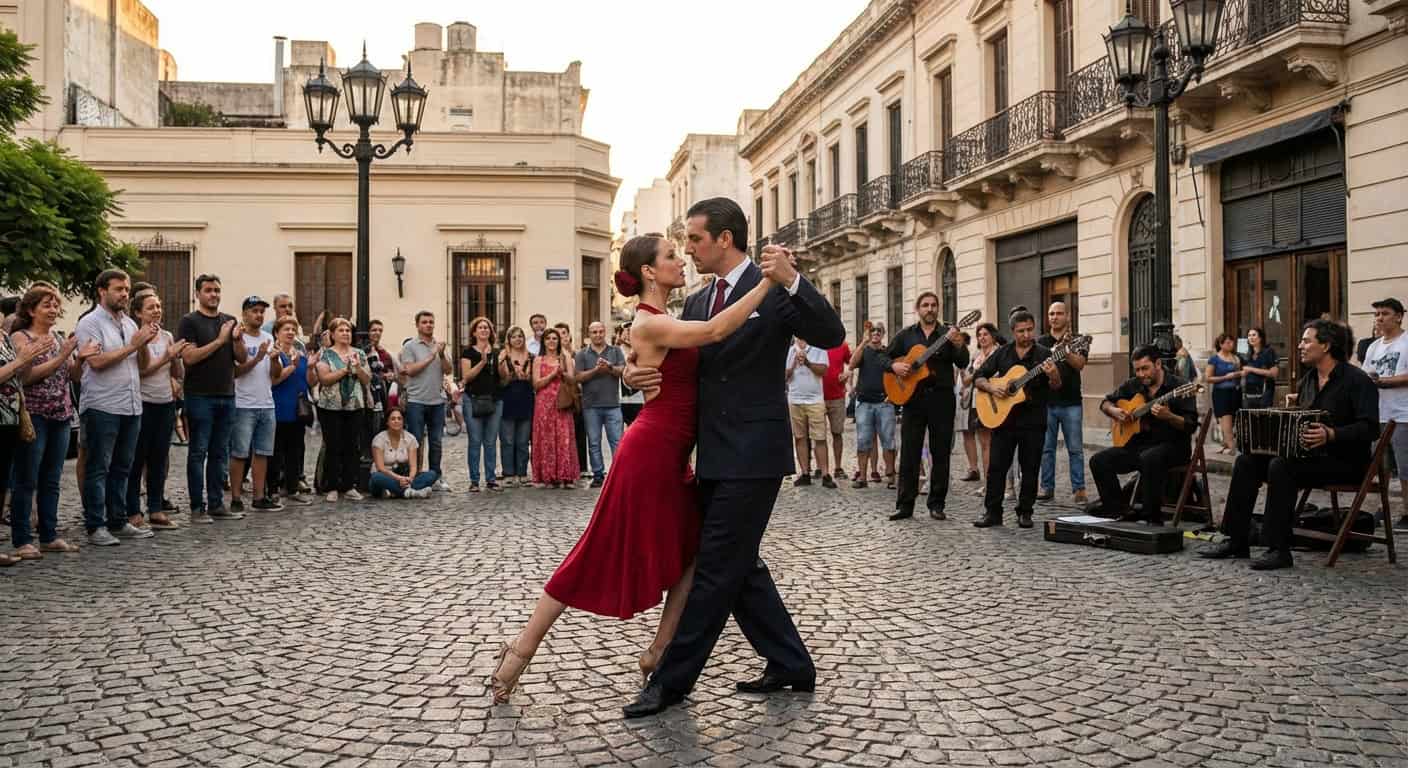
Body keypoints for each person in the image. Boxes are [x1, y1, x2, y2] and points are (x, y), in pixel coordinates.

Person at [487, 232, 784, 702]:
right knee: (591, 553)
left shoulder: (662, 319)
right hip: (647, 455)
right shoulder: (648, 323)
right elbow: (714, 332)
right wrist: (770, 282)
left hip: (671, 457)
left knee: (692, 554)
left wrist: (630, 369)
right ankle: (519, 653)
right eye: (670, 256)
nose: (681, 260)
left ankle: (658, 653)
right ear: (649, 271)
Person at [621, 198, 845, 719]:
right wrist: (633, 374)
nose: (690, 248)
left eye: (695, 239)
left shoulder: (770, 287)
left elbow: (830, 335)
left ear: (724, 239)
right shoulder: (699, 304)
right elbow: (676, 370)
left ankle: (671, 682)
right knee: (740, 565)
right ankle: (791, 663)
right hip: (712, 454)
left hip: (756, 453)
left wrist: (792, 281)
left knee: (717, 567)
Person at [1201, 320, 1380, 570]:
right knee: (1246, 461)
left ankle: (1279, 549)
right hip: (1309, 457)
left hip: (1345, 462)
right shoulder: (1309, 380)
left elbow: (1370, 428)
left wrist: (1332, 434)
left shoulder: (1357, 381)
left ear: (1326, 345)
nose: (1300, 346)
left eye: (1307, 341)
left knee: (1281, 466)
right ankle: (1236, 539)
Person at [71, 270, 157, 546]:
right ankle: (96, 525)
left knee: (123, 466)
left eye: (126, 289)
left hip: (131, 405)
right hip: (102, 405)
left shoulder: (131, 324)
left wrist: (142, 344)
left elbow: (142, 366)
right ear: (102, 291)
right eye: (118, 289)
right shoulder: (90, 323)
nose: (124, 294)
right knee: (99, 467)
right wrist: (133, 346)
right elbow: (95, 362)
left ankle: (118, 520)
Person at [1089, 345, 1199, 525]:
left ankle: (1152, 517)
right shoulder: (1133, 385)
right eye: (1137, 370)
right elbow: (1105, 402)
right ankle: (1119, 510)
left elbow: (1190, 425)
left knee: (1150, 458)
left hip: (1173, 446)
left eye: (1144, 368)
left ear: (1158, 364)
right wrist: (1114, 411)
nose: (1141, 374)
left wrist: (1169, 416)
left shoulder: (1180, 387)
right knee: (1099, 461)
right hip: (1138, 445)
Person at [9, 284, 80, 559]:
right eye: (47, 305)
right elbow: (26, 376)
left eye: (55, 305)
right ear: (31, 309)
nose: (53, 310)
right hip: (34, 415)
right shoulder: (21, 338)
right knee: (27, 477)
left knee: (52, 478)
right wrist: (62, 356)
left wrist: (79, 358)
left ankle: (49, 534)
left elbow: (73, 376)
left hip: (60, 414)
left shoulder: (58, 337)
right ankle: (22, 538)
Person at [972, 310, 1061, 529]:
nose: (1026, 334)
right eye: (1021, 331)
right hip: (1004, 421)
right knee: (996, 467)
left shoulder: (1044, 355)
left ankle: (1025, 511)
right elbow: (978, 377)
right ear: (1013, 332)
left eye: (1030, 329)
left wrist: (1052, 374)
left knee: (1030, 467)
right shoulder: (1002, 353)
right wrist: (993, 388)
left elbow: (1057, 385)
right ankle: (992, 512)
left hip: (1033, 419)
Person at [887, 292, 969, 521]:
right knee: (910, 453)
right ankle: (905, 505)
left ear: (938, 309)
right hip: (913, 400)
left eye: (933, 305)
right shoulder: (905, 336)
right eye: (925, 305)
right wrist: (895, 367)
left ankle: (937, 504)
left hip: (942, 399)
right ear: (918, 309)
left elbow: (962, 362)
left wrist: (959, 344)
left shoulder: (948, 334)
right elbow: (883, 358)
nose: (930, 309)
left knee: (940, 452)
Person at [177, 274, 242, 524]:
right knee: (198, 452)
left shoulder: (229, 321)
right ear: (198, 294)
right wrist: (219, 341)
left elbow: (242, 358)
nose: (213, 294)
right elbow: (189, 357)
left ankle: (217, 503)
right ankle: (197, 507)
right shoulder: (189, 322)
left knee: (220, 453)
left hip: (227, 394)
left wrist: (235, 341)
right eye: (208, 290)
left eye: (217, 290)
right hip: (199, 396)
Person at [125, 290, 188, 530]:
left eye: (159, 306)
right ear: (139, 312)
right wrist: (166, 357)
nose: (157, 311)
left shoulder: (167, 336)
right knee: (137, 458)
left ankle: (156, 508)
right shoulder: (135, 336)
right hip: (142, 403)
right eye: (151, 307)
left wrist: (175, 359)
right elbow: (140, 371)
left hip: (165, 403)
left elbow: (177, 373)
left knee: (159, 458)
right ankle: (132, 509)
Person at [0, 311, 54, 565]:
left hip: (9, 419)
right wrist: (21, 360)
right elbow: (13, 371)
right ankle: (19, 538)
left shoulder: (2, 337)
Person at [229, 297, 283, 513]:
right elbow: (235, 372)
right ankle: (235, 497)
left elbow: (275, 375)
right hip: (243, 403)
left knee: (262, 452)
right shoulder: (237, 338)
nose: (259, 315)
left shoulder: (269, 337)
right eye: (254, 311)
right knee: (240, 453)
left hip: (266, 403)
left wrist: (275, 360)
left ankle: (259, 496)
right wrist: (257, 357)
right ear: (244, 314)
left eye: (262, 311)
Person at [1361, 297, 1408, 528]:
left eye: (1385, 313)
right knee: (1382, 467)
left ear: (1399, 316)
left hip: (1403, 415)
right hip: (1378, 414)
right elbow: (1365, 375)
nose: (1379, 318)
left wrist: (1384, 382)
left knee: (1406, 467)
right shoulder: (1374, 346)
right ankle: (1384, 508)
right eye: (1377, 314)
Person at [1036, 301, 1087, 505]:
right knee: (1046, 449)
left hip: (1071, 402)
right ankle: (1046, 487)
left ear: (1067, 316)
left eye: (1058, 313)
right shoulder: (1040, 342)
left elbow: (1080, 364)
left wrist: (1065, 351)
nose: (1054, 317)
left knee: (1075, 448)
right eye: (1051, 314)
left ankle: (1079, 489)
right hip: (1046, 402)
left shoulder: (1078, 340)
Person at [315, 318, 371, 502]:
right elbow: (324, 379)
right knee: (333, 446)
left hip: (354, 406)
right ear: (332, 334)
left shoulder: (359, 354)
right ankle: (331, 486)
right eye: (341, 330)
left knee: (352, 446)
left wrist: (357, 369)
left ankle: (349, 485)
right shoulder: (326, 354)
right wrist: (344, 371)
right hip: (330, 407)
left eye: (348, 330)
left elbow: (366, 378)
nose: (346, 333)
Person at [399, 311, 453, 493]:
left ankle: (436, 476)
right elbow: (410, 370)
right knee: (415, 441)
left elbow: (448, 370)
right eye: (424, 322)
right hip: (416, 401)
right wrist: (431, 355)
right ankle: (414, 476)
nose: (428, 325)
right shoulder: (410, 347)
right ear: (417, 325)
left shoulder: (439, 347)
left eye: (431, 322)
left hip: (437, 401)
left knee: (436, 441)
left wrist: (442, 355)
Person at [575, 321, 626, 488]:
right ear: (589, 334)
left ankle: (619, 474)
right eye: (594, 332)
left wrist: (609, 367)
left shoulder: (615, 351)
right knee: (594, 442)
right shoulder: (582, 354)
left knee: (617, 442)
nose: (598, 335)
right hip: (591, 405)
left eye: (600, 331)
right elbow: (578, 378)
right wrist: (596, 370)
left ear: (605, 333)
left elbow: (623, 372)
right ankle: (598, 475)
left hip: (612, 404)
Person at [270, 316, 314, 505]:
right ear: (277, 333)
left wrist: (311, 369)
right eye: (286, 329)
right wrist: (290, 367)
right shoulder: (273, 354)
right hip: (278, 407)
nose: (290, 333)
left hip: (297, 410)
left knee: (295, 450)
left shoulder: (301, 356)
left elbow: (309, 383)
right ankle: (272, 489)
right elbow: (274, 380)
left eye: (292, 329)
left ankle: (292, 486)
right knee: (275, 450)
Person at [530, 328, 578, 488]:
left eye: (554, 338)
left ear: (559, 341)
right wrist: (552, 375)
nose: (551, 341)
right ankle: (549, 476)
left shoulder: (566, 357)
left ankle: (566, 476)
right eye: (548, 338)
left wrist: (563, 371)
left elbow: (572, 379)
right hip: (544, 404)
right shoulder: (538, 360)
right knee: (546, 439)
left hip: (562, 401)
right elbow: (536, 384)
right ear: (543, 341)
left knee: (564, 437)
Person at [849, 323, 896, 490]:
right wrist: (863, 342)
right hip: (864, 402)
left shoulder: (887, 352)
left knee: (888, 441)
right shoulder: (865, 350)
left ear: (883, 334)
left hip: (885, 402)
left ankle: (891, 477)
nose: (875, 333)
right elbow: (852, 364)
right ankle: (862, 477)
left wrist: (893, 396)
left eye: (879, 331)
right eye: (872, 330)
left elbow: (897, 373)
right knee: (863, 441)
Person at [461, 316, 504, 492]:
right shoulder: (468, 352)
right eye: (480, 327)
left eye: (487, 327)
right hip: (473, 399)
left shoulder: (497, 352)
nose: (484, 330)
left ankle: (491, 479)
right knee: (475, 441)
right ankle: (474, 480)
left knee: (491, 441)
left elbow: (502, 377)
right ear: (474, 332)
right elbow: (467, 377)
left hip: (495, 400)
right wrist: (483, 362)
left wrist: (501, 363)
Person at [786, 337, 833, 488]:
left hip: (815, 400)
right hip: (795, 398)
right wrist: (794, 363)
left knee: (819, 437)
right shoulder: (790, 350)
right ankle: (805, 473)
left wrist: (807, 363)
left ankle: (825, 474)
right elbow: (784, 376)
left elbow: (824, 371)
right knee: (799, 437)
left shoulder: (818, 348)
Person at [369, 407, 437, 499]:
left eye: (399, 418)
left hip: (405, 477)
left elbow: (413, 467)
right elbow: (381, 468)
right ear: (387, 422)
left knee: (432, 474)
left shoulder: (410, 439)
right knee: (376, 477)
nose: (396, 421)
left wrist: (410, 478)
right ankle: (411, 492)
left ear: (403, 421)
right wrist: (398, 478)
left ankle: (399, 491)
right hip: (385, 477)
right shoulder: (379, 439)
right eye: (393, 419)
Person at [498, 326, 535, 487]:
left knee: (522, 440)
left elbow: (535, 381)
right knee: (507, 440)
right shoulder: (504, 355)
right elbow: (501, 380)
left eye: (520, 336)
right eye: (514, 336)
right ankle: (508, 473)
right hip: (507, 400)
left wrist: (527, 376)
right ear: (509, 339)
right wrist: (511, 373)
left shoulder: (531, 357)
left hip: (526, 399)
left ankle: (522, 472)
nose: (518, 339)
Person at [556, 322, 589, 476]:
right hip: (560, 396)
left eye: (564, 333)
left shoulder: (578, 354)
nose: (561, 336)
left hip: (577, 395)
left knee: (579, 432)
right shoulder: (554, 356)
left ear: (568, 336)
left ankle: (582, 467)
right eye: (558, 333)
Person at [954, 331, 982, 483]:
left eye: (959, 339)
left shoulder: (973, 354)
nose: (956, 341)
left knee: (981, 434)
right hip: (961, 396)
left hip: (973, 396)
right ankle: (973, 468)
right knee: (966, 432)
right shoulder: (953, 354)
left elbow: (968, 376)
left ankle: (984, 469)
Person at [821, 338, 852, 481]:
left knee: (837, 433)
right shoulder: (816, 344)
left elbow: (852, 363)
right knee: (818, 436)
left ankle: (838, 467)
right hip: (817, 396)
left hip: (837, 396)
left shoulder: (842, 345)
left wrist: (847, 374)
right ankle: (820, 468)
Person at [1207, 333, 1242, 454]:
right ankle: (1231, 446)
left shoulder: (1236, 358)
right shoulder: (1214, 359)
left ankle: (1226, 444)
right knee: (1225, 417)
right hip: (1221, 392)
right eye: (1227, 342)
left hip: (1235, 392)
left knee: (1231, 419)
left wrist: (1238, 375)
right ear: (1221, 344)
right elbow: (1208, 378)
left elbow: (1238, 374)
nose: (1230, 344)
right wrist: (1225, 377)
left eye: (1232, 342)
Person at [1240, 327, 1279, 409]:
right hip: (1249, 395)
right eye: (1249, 335)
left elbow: (1273, 374)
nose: (1251, 337)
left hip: (1264, 394)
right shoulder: (1247, 355)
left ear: (1260, 338)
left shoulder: (1269, 352)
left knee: (1263, 418)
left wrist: (1251, 369)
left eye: (1254, 335)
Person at [617, 323, 646, 427]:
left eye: (631, 331)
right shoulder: (616, 351)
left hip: (639, 398)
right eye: (627, 331)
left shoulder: (642, 351)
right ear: (620, 335)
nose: (629, 334)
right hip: (620, 399)